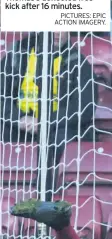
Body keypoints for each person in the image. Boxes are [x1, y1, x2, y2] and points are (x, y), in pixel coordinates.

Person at [0, 32, 97, 191]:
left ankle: (49, 193)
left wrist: (45, 121)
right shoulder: (16, 57)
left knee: (63, 138)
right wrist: (19, 119)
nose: (57, 33)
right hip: (21, 124)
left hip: (55, 127)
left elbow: (84, 108)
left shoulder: (78, 62)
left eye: (61, 28)